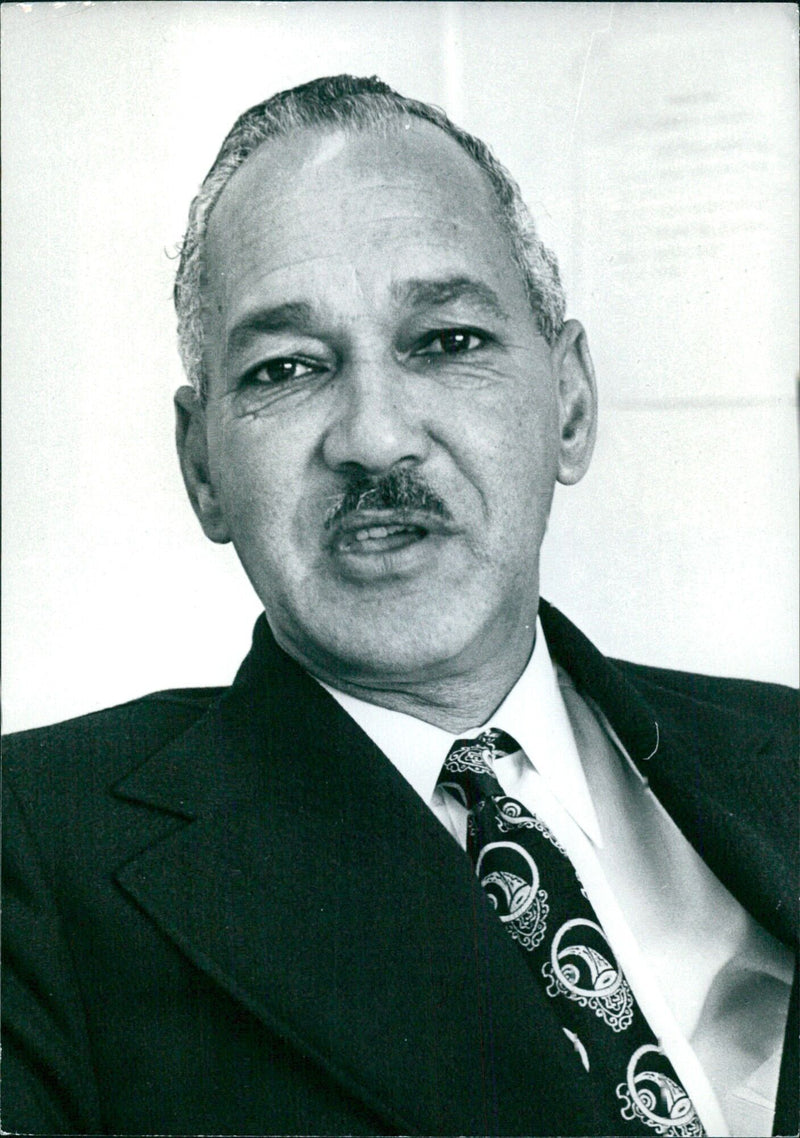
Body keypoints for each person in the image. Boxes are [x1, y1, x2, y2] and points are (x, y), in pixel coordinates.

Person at [2, 74, 796, 1138]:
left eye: (447, 341)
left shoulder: (781, 749)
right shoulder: (35, 851)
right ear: (201, 467)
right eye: (287, 367)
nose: (374, 437)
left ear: (566, 401)